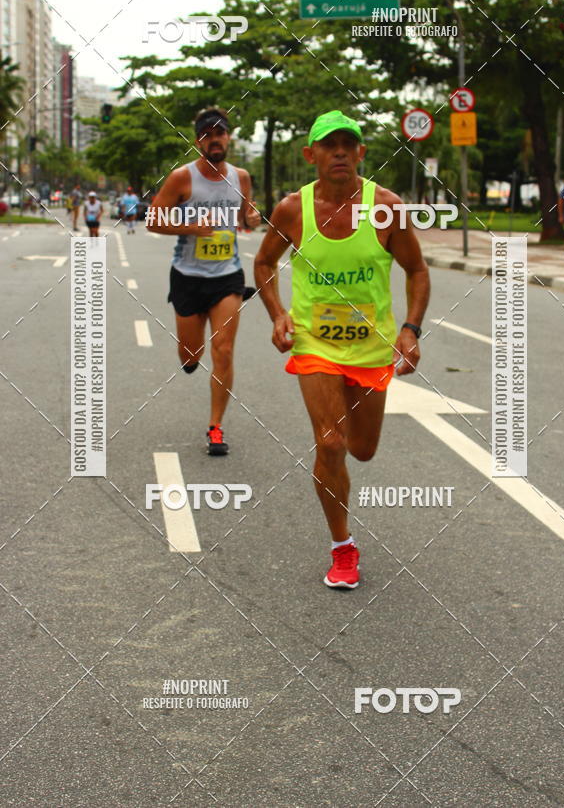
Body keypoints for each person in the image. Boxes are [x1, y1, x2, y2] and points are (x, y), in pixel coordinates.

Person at [254, 110, 430, 589]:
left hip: (372, 349)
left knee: (362, 450)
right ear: (310, 155)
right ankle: (342, 547)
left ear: (361, 154)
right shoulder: (293, 209)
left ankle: (343, 477)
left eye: (348, 145)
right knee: (330, 443)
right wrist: (278, 313)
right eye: (329, 146)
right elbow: (264, 263)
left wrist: (411, 329)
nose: (339, 153)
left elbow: (417, 270)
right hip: (315, 343)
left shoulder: (386, 207)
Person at [146, 106, 261, 455]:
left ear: (228, 137)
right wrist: (190, 227)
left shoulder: (240, 176)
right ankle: (190, 357)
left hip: (227, 275)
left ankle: (215, 427)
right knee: (191, 355)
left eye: (220, 133)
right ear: (199, 141)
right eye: (208, 135)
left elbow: (247, 214)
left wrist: (253, 217)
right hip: (187, 276)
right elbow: (153, 219)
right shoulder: (182, 178)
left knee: (223, 351)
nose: (215, 140)